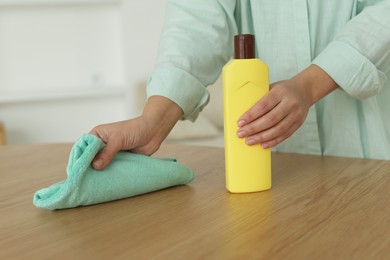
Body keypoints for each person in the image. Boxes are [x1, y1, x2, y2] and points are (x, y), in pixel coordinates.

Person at [90, 0, 390, 170]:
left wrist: (310, 85)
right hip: (272, 170)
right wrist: (152, 122)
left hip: (371, 158)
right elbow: (195, 20)